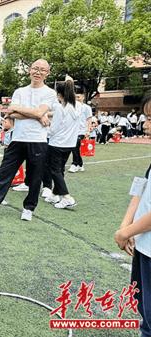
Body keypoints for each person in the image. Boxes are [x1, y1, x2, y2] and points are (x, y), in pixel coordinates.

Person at [0, 59, 56, 221]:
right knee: (4, 172)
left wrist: (23, 110)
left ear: (48, 73)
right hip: (18, 138)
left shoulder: (49, 93)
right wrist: (37, 114)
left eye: (42, 70)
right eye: (35, 68)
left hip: (38, 140)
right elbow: (13, 113)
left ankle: (28, 208)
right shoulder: (20, 91)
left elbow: (35, 112)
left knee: (35, 176)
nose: (38, 72)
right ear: (29, 70)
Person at [114, 93, 151, 337]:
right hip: (144, 245)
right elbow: (141, 186)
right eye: (147, 117)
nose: (146, 125)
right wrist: (125, 225)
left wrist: (128, 231)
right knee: (143, 306)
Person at [40, 77, 80, 209]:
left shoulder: (60, 108)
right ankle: (55, 194)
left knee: (55, 170)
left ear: (59, 94)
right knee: (59, 169)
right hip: (69, 144)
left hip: (57, 143)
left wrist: (46, 128)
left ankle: (67, 197)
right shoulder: (77, 106)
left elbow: (54, 128)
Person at [67, 90, 92, 173]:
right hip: (73, 130)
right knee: (75, 148)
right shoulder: (72, 106)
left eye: (78, 97)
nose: (77, 98)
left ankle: (74, 164)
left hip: (82, 131)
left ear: (83, 97)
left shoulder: (86, 107)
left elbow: (89, 119)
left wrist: (88, 131)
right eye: (75, 97)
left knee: (75, 146)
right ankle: (80, 164)